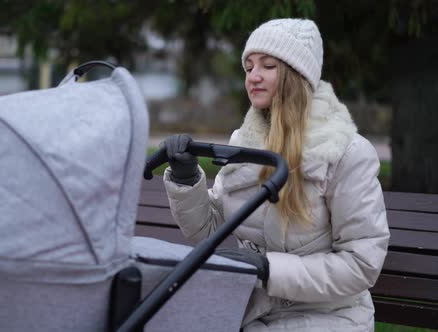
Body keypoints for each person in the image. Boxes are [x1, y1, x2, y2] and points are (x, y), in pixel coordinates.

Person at [161, 18, 390, 331]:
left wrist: (268, 270)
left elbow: (361, 265)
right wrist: (186, 179)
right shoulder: (245, 143)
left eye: (268, 66)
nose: (253, 77)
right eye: (249, 66)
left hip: (330, 317)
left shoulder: (346, 153)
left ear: (297, 75)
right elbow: (209, 229)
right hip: (253, 313)